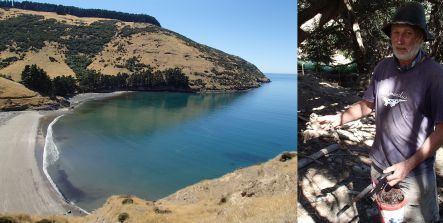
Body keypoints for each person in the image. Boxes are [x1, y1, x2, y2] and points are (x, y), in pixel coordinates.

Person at [316, 2, 443, 222]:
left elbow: (442, 130)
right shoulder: (383, 68)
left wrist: (408, 165)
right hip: (379, 165)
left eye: (407, 34)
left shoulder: (435, 75)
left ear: (420, 37)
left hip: (414, 172)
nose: (400, 40)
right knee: (388, 216)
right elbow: (367, 105)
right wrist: (338, 119)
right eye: (395, 33)